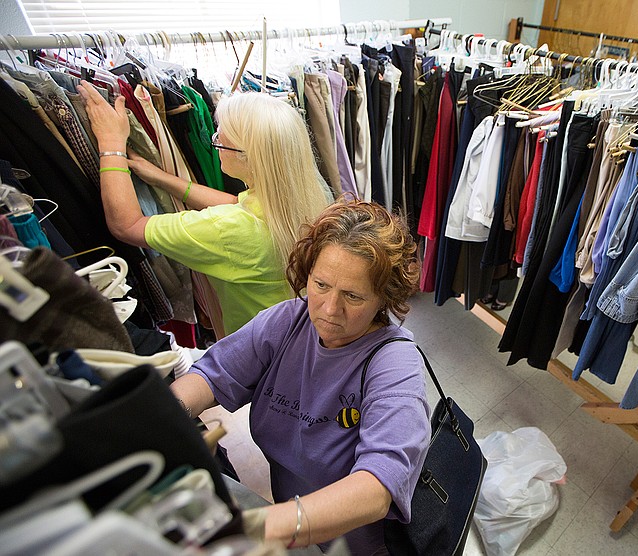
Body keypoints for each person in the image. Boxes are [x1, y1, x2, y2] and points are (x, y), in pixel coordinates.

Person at [170, 200, 431, 555]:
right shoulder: (287, 322)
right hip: (299, 527)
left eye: (352, 296)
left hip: (360, 545)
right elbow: (212, 375)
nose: (328, 309)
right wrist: (167, 417)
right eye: (321, 284)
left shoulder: (394, 363)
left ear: (384, 297)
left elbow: (377, 485)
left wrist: (262, 527)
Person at [76, 81, 332, 335]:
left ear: (246, 156)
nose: (216, 141)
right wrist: (163, 178)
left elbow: (126, 225)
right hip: (300, 337)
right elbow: (234, 203)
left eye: (220, 138)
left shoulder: (228, 229)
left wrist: (111, 144)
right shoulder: (309, 195)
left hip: (257, 360)